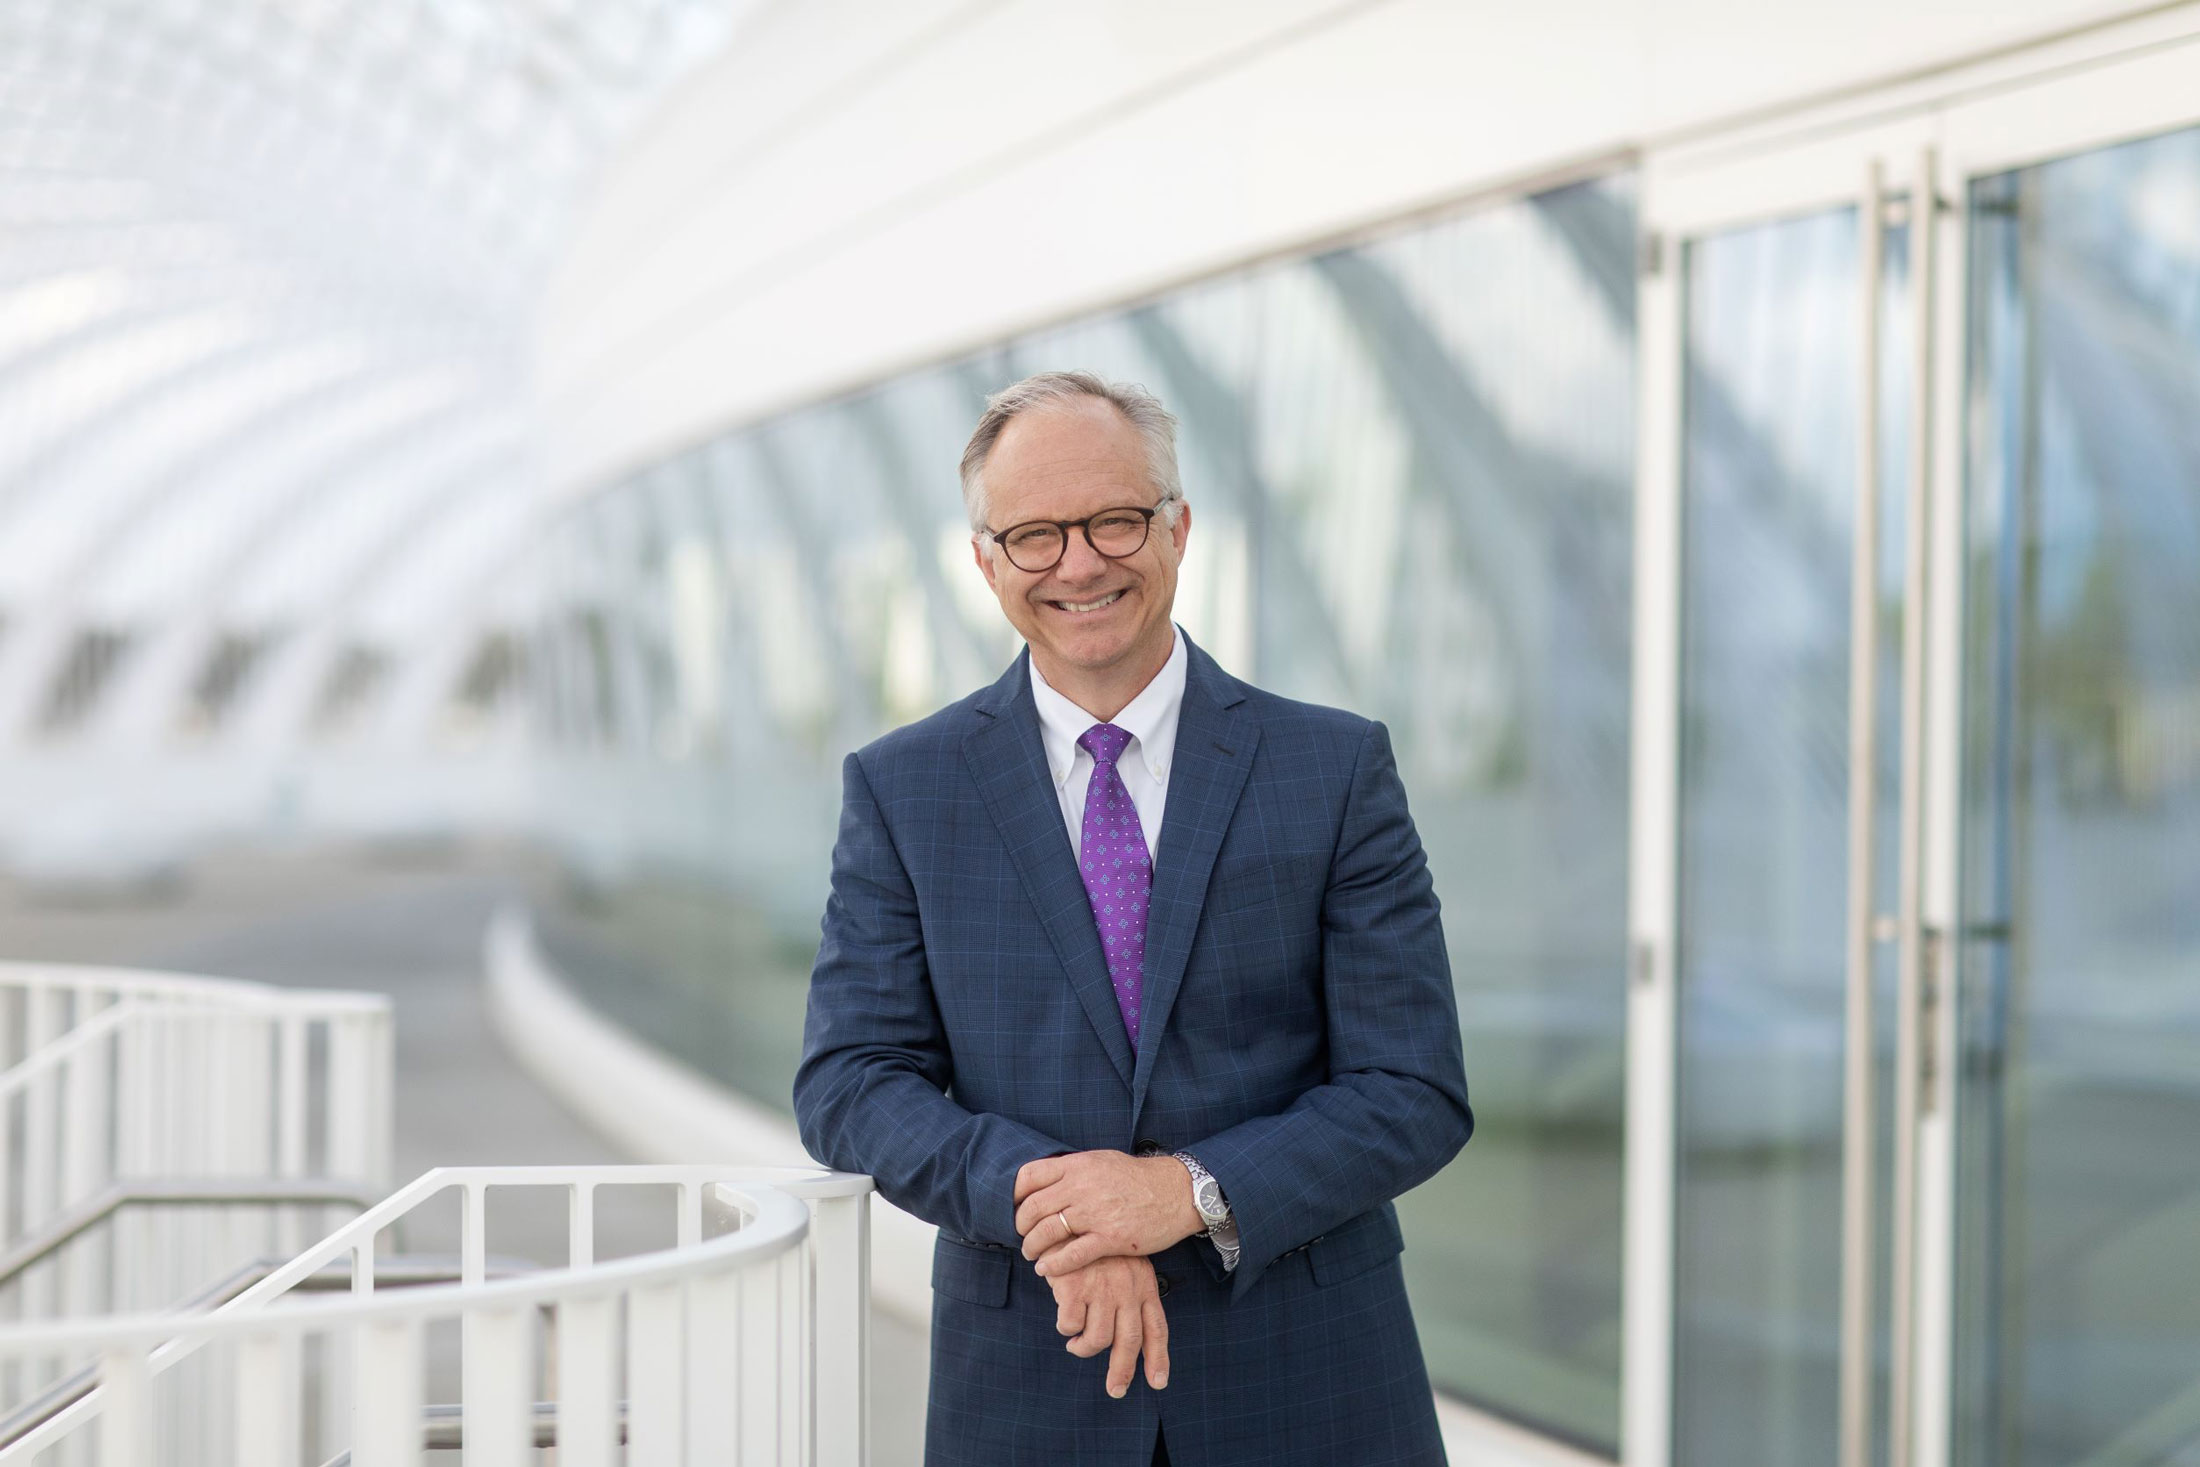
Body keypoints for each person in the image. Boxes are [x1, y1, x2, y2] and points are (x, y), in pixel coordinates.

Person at [794, 371, 1471, 1466]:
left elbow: (1414, 1089)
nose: (1078, 562)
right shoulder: (903, 789)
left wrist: (1179, 1196)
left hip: (1311, 1388)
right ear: (984, 561)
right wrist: (1053, 1207)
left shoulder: (1333, 769)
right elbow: (849, 1082)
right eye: (1032, 535)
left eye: (1114, 519)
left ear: (1178, 527)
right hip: (1028, 1392)